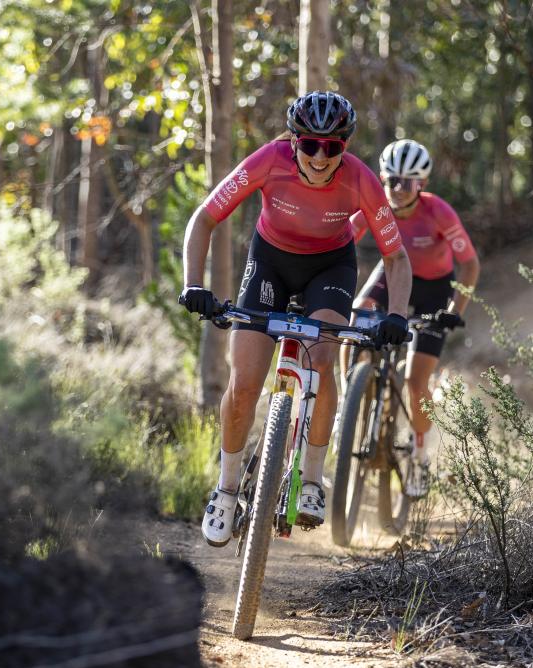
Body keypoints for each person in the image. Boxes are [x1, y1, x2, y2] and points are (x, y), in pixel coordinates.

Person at [179, 91, 413, 547]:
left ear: (344, 147)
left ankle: (310, 480)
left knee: (323, 361)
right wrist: (193, 284)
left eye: (333, 147)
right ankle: (226, 490)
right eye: (310, 145)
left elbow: (397, 257)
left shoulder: (361, 180)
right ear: (293, 141)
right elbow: (204, 219)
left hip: (330, 268)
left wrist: (397, 316)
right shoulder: (269, 160)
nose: (321, 156)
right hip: (270, 263)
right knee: (245, 381)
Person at [349, 138, 481, 497]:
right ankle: (352, 402)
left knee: (414, 380)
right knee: (356, 316)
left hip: (433, 290)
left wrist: (455, 311)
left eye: (407, 182)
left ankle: (420, 455)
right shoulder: (375, 205)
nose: (397, 188)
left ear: (421, 185)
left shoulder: (438, 213)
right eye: (391, 179)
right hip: (390, 275)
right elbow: (343, 241)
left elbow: (469, 264)